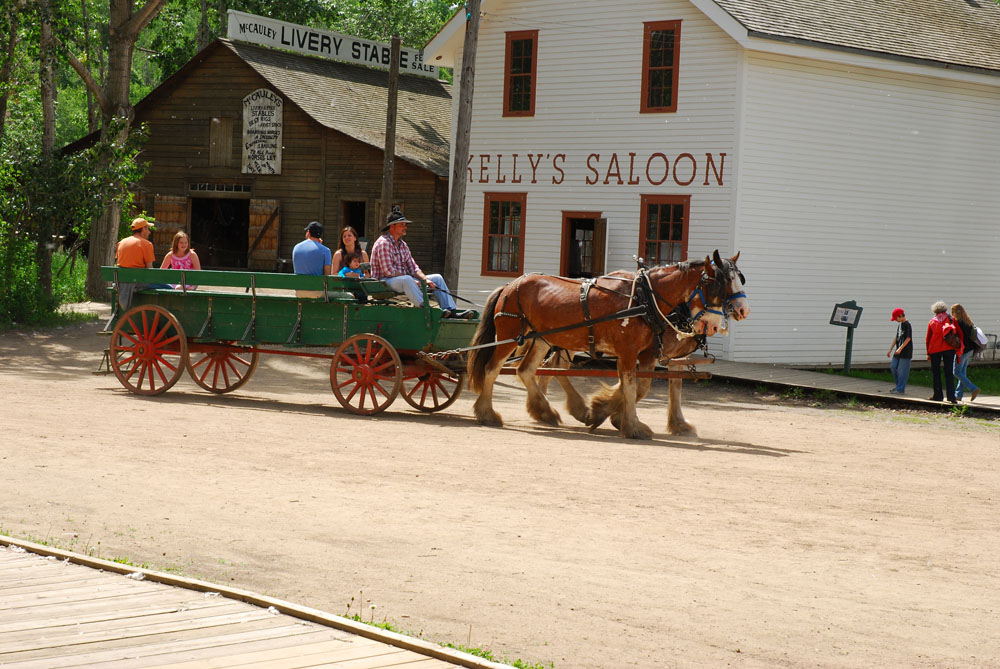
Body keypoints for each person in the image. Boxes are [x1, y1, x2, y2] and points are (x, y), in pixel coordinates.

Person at [369, 208, 471, 318]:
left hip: (401, 280)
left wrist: (425, 279)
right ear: (392, 226)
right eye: (402, 225)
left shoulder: (403, 245)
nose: (405, 227)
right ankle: (425, 309)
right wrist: (412, 279)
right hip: (383, 282)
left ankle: (451, 310)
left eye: (405, 225)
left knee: (437, 278)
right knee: (407, 279)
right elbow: (388, 271)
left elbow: (413, 268)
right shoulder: (383, 243)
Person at [115, 217, 167, 308]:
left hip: (121, 282)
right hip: (138, 282)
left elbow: (120, 263)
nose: (150, 232)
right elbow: (150, 269)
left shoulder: (121, 243)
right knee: (169, 288)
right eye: (148, 229)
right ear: (143, 229)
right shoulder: (147, 244)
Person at [925, 301, 959, 403]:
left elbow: (928, 338)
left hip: (935, 349)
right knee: (949, 373)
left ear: (935, 311)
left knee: (936, 373)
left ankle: (938, 395)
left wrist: (928, 352)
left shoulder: (932, 321)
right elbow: (957, 333)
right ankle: (951, 397)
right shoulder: (951, 319)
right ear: (945, 309)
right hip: (949, 349)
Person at [292, 221, 332, 298]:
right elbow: (327, 276)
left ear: (308, 232)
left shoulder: (296, 247)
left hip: (299, 292)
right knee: (347, 295)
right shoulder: (326, 251)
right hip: (317, 292)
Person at [951, 303, 980, 402]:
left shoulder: (958, 323)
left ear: (955, 312)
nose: (952, 314)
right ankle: (958, 395)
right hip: (970, 350)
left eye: (952, 312)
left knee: (956, 372)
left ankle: (973, 388)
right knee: (962, 372)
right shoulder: (968, 321)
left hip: (962, 350)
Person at [886, 307, 912, 394]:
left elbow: (908, 338)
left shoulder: (907, 325)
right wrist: (890, 349)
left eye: (896, 318)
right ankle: (898, 386)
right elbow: (896, 337)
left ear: (900, 316)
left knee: (902, 371)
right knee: (893, 367)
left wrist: (900, 348)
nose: (895, 320)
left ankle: (900, 389)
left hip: (905, 352)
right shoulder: (900, 325)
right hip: (898, 351)